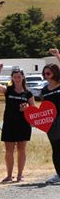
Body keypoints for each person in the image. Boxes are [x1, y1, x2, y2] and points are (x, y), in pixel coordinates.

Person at [0, 64, 35, 183]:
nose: (17, 79)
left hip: (23, 124)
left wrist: (27, 108)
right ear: (12, 78)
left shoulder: (28, 93)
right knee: (9, 151)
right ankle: (9, 175)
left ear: (22, 77)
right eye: (15, 77)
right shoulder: (8, 90)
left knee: (21, 150)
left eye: (19, 76)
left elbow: (33, 109)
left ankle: (20, 175)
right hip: (9, 124)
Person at [40, 49, 60, 185]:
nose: (46, 75)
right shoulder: (45, 90)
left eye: (48, 73)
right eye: (44, 73)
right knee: (55, 147)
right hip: (51, 122)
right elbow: (43, 108)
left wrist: (58, 56)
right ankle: (58, 174)